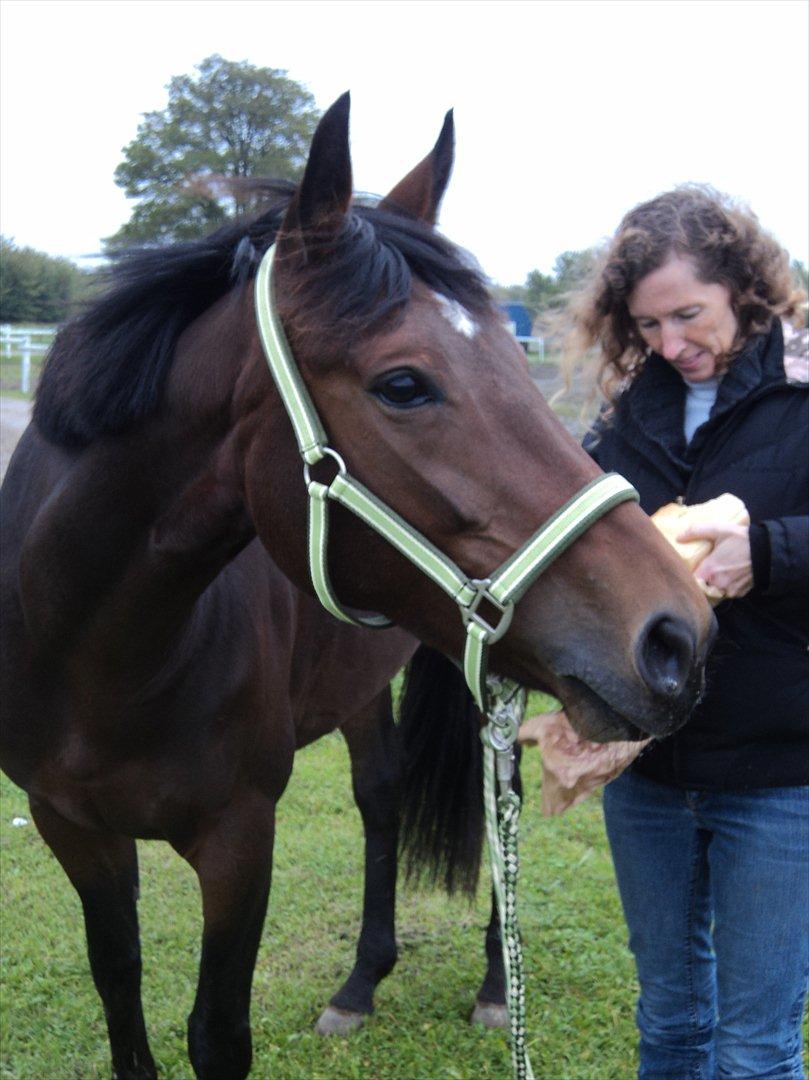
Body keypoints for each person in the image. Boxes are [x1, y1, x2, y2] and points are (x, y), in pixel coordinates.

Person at [563, 186, 809, 1079]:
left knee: (753, 1051)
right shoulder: (631, 408)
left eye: (687, 314)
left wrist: (768, 553)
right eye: (649, 323)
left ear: (742, 286)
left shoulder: (803, 382)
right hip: (652, 765)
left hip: (780, 771)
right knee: (668, 1023)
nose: (671, 344)